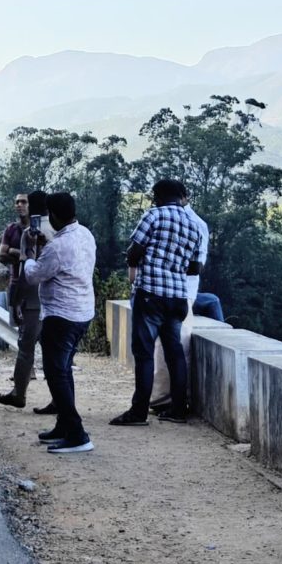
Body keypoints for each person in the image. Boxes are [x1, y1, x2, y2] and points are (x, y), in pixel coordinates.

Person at [112, 178, 209, 427]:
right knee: (175, 353)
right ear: (181, 196)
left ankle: (139, 412)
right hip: (177, 297)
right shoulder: (195, 225)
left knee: (144, 353)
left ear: (157, 196)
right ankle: (178, 409)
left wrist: (150, 264)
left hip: (150, 293)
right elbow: (195, 267)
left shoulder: (153, 216)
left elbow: (134, 252)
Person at [30, 190, 97, 454]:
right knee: (64, 370)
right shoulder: (85, 235)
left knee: (56, 374)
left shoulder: (56, 247)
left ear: (54, 215)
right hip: (82, 312)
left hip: (60, 316)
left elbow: (34, 275)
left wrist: (28, 256)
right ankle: (63, 426)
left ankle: (77, 434)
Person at [0, 190, 50, 409]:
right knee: (27, 340)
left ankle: (19, 393)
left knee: (27, 344)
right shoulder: (12, 229)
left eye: (23, 202)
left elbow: (25, 260)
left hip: (32, 291)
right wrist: (22, 253)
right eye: (16, 202)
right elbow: (1, 255)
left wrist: (18, 253)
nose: (19, 205)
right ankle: (24, 388)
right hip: (21, 287)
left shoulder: (35, 232)